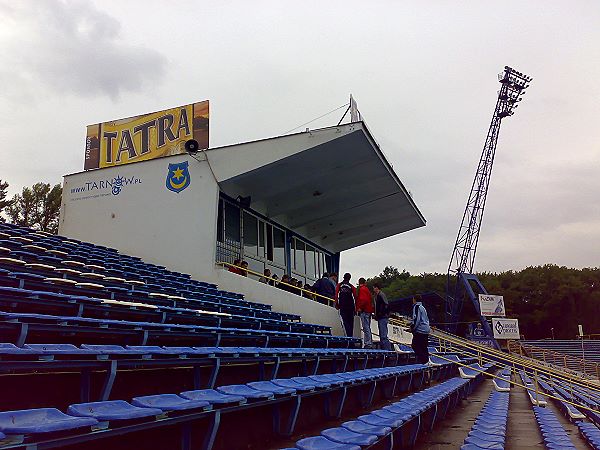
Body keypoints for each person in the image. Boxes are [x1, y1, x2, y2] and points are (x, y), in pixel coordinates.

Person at [410, 294, 431, 364]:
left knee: (415, 345)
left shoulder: (417, 307)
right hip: (426, 330)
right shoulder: (423, 307)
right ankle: (427, 361)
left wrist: (412, 328)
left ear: (414, 299)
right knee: (424, 347)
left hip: (420, 330)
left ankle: (424, 362)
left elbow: (417, 319)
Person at [335, 273, 357, 337]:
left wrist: (336, 304)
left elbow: (336, 295)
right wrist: (356, 308)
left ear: (343, 277)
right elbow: (355, 297)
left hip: (342, 305)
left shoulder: (339, 285)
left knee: (345, 321)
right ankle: (351, 336)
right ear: (349, 278)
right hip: (350, 306)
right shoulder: (351, 286)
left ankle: (348, 336)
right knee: (351, 322)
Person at [356, 278, 374, 348]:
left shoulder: (362, 289)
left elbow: (363, 300)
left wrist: (360, 308)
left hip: (364, 311)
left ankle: (368, 343)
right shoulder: (367, 289)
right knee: (368, 327)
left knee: (365, 327)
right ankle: (368, 342)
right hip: (368, 310)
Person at [373, 283, 391, 350]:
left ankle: (387, 349)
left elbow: (386, 305)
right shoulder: (377, 296)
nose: (373, 289)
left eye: (374, 287)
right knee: (382, 334)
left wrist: (381, 313)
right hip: (381, 317)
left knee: (383, 334)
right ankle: (384, 349)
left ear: (377, 288)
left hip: (383, 317)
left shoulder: (381, 295)